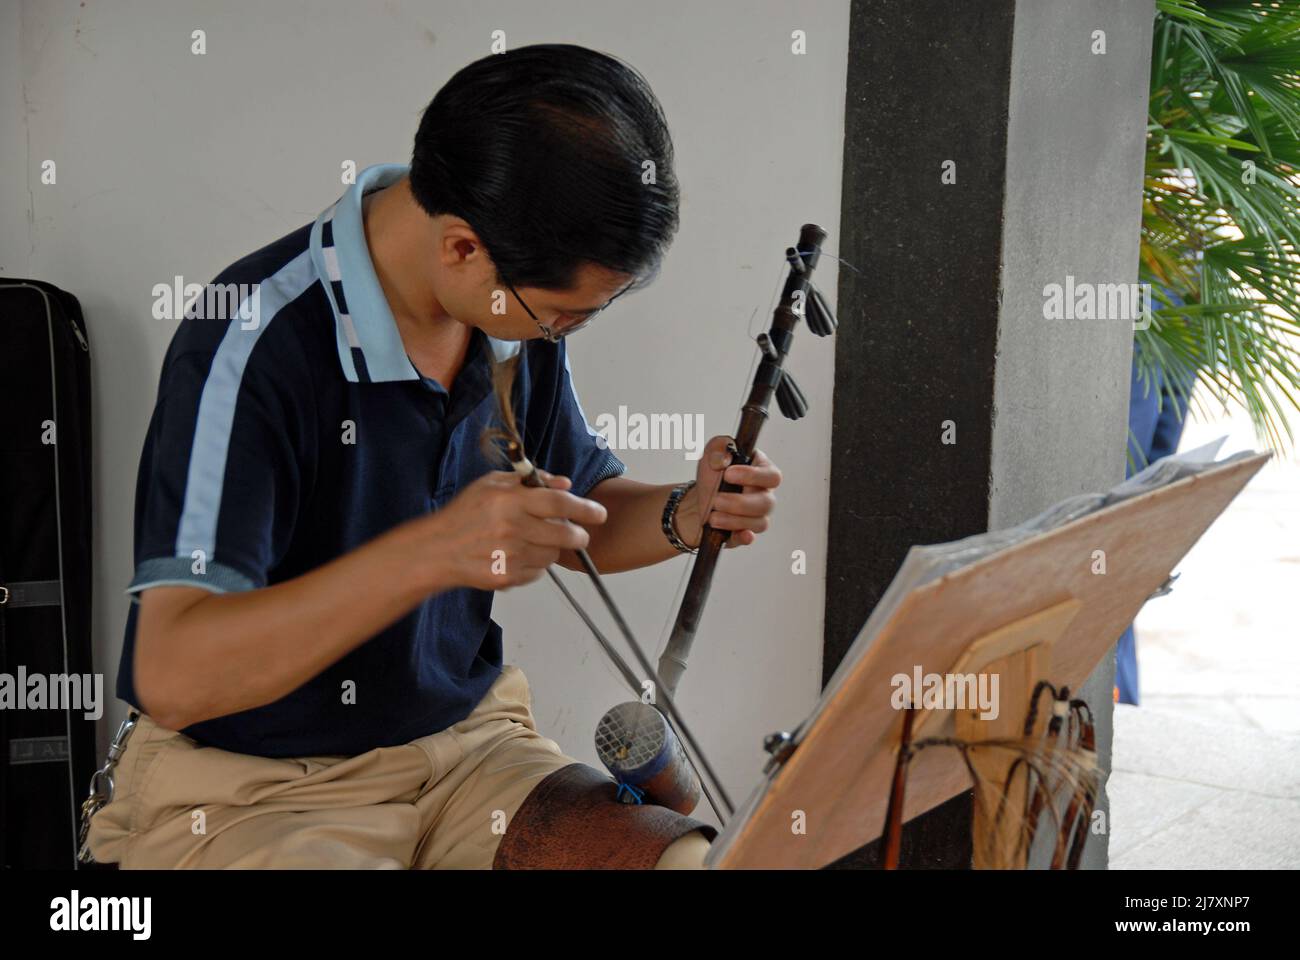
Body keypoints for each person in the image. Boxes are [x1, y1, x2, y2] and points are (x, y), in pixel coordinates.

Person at [86, 43, 781, 869]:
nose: (561, 334)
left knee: (679, 862)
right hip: (259, 789)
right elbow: (173, 669)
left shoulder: (510, 318)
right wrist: (432, 551)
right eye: (561, 314)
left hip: (468, 753)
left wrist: (683, 513)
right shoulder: (252, 345)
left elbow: (582, 511)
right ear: (461, 247)